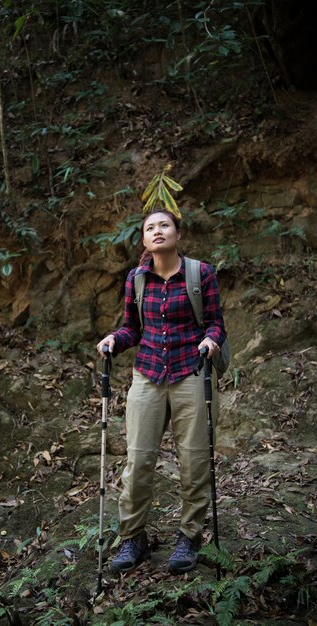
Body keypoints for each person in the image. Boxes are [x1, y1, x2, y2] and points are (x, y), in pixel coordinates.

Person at [96, 208, 227, 575]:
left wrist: (211, 341)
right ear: (143, 239)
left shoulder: (200, 273)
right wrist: (113, 340)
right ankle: (132, 537)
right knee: (138, 460)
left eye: (164, 225)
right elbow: (131, 330)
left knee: (195, 460)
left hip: (191, 371)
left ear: (177, 234)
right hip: (148, 375)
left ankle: (189, 536)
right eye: (150, 227)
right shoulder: (136, 279)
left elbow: (216, 324)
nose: (157, 231)